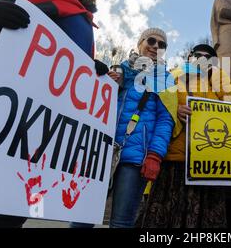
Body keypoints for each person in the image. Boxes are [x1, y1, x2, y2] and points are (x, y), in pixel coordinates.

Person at [0, 0, 103, 228]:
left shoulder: (85, 19)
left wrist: (92, 71)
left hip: (47, 127)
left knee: (19, 208)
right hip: (9, 109)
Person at [71, 27, 177, 228]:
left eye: (162, 45)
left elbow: (166, 119)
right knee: (82, 218)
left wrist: (155, 154)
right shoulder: (118, 70)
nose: (156, 47)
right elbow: (92, 103)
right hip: (101, 152)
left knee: (121, 223)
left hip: (136, 157)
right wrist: (101, 80)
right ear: (140, 43)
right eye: (151, 41)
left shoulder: (166, 79)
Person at [137, 43, 231, 228]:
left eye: (208, 57)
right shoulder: (172, 76)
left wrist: (219, 78)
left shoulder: (218, 83)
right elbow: (156, 105)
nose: (202, 59)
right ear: (189, 58)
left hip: (209, 165)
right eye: (198, 55)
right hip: (174, 160)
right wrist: (175, 108)